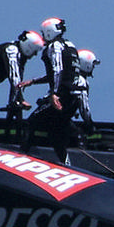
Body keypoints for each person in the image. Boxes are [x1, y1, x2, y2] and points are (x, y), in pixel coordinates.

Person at [19, 17, 80, 163]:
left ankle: (21, 158)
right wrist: (33, 82)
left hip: (62, 97)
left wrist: (54, 94)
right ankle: (67, 166)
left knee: (31, 122)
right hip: (73, 98)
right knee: (55, 133)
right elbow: (61, 74)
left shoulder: (55, 47)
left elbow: (58, 71)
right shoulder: (70, 46)